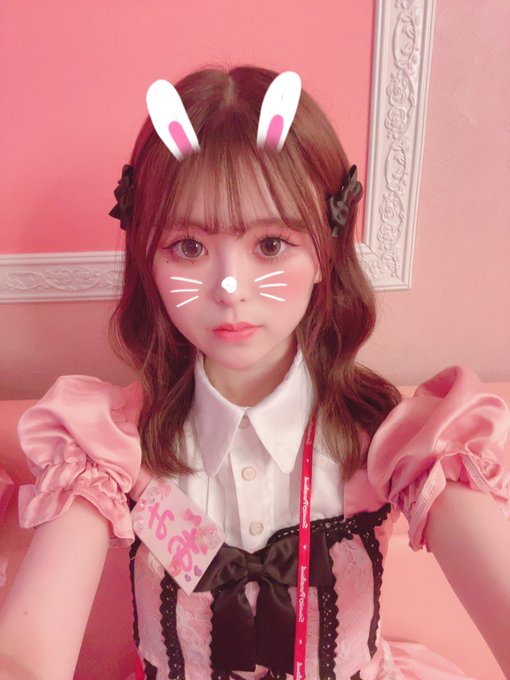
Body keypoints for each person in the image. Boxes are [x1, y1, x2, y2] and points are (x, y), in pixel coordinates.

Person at [0, 65, 509, 680]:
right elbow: (28, 651)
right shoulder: (105, 445)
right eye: (189, 247)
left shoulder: (401, 442)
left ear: (325, 250)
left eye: (270, 244)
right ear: (148, 259)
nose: (229, 288)